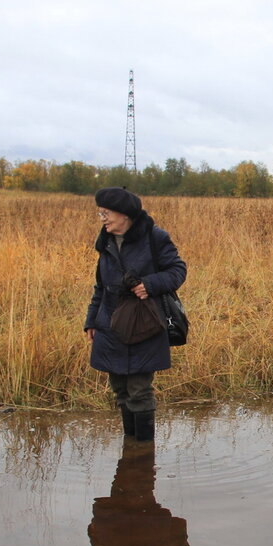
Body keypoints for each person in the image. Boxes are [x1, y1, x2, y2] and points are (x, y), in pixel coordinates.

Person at [84, 187, 187, 441]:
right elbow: (101, 286)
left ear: (125, 215)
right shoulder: (105, 241)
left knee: (139, 390)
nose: (103, 218)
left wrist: (150, 285)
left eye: (106, 213)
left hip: (144, 322)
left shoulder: (155, 237)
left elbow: (177, 270)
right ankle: (131, 448)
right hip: (110, 324)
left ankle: (143, 453)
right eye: (101, 213)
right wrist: (91, 321)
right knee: (119, 388)